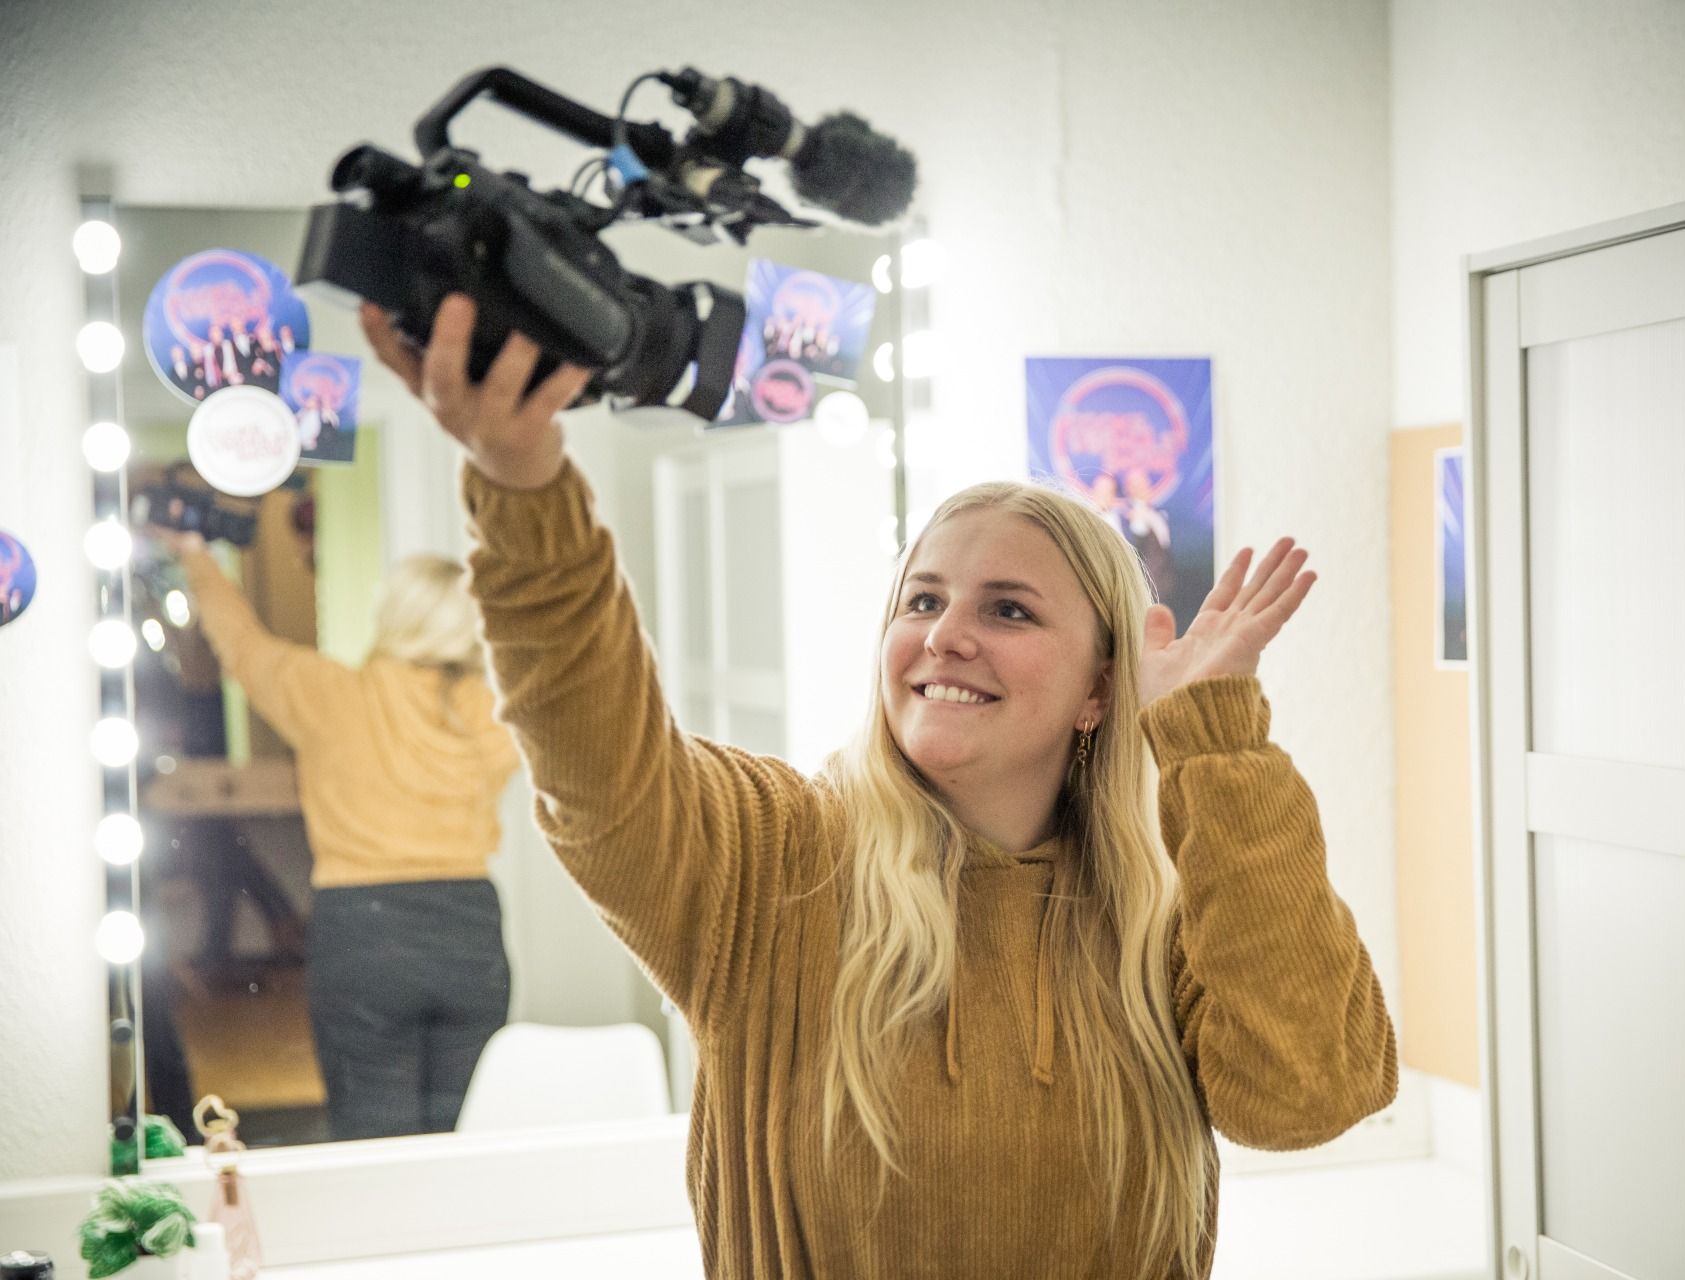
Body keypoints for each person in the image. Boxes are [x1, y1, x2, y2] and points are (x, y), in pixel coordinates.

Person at [361, 294, 1397, 1278]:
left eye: (1010, 610)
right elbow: (596, 754)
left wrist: (1214, 743)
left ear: (1099, 689)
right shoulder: (769, 862)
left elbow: (1308, 1094)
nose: (945, 634)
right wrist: (524, 480)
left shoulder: (1162, 919)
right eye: (925, 597)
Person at [159, 534, 523, 1141]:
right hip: (469, 933)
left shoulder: (330, 694)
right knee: (465, 1142)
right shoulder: (496, 709)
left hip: (365, 933)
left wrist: (196, 554)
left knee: (373, 1149)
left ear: (394, 616)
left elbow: (241, 644)